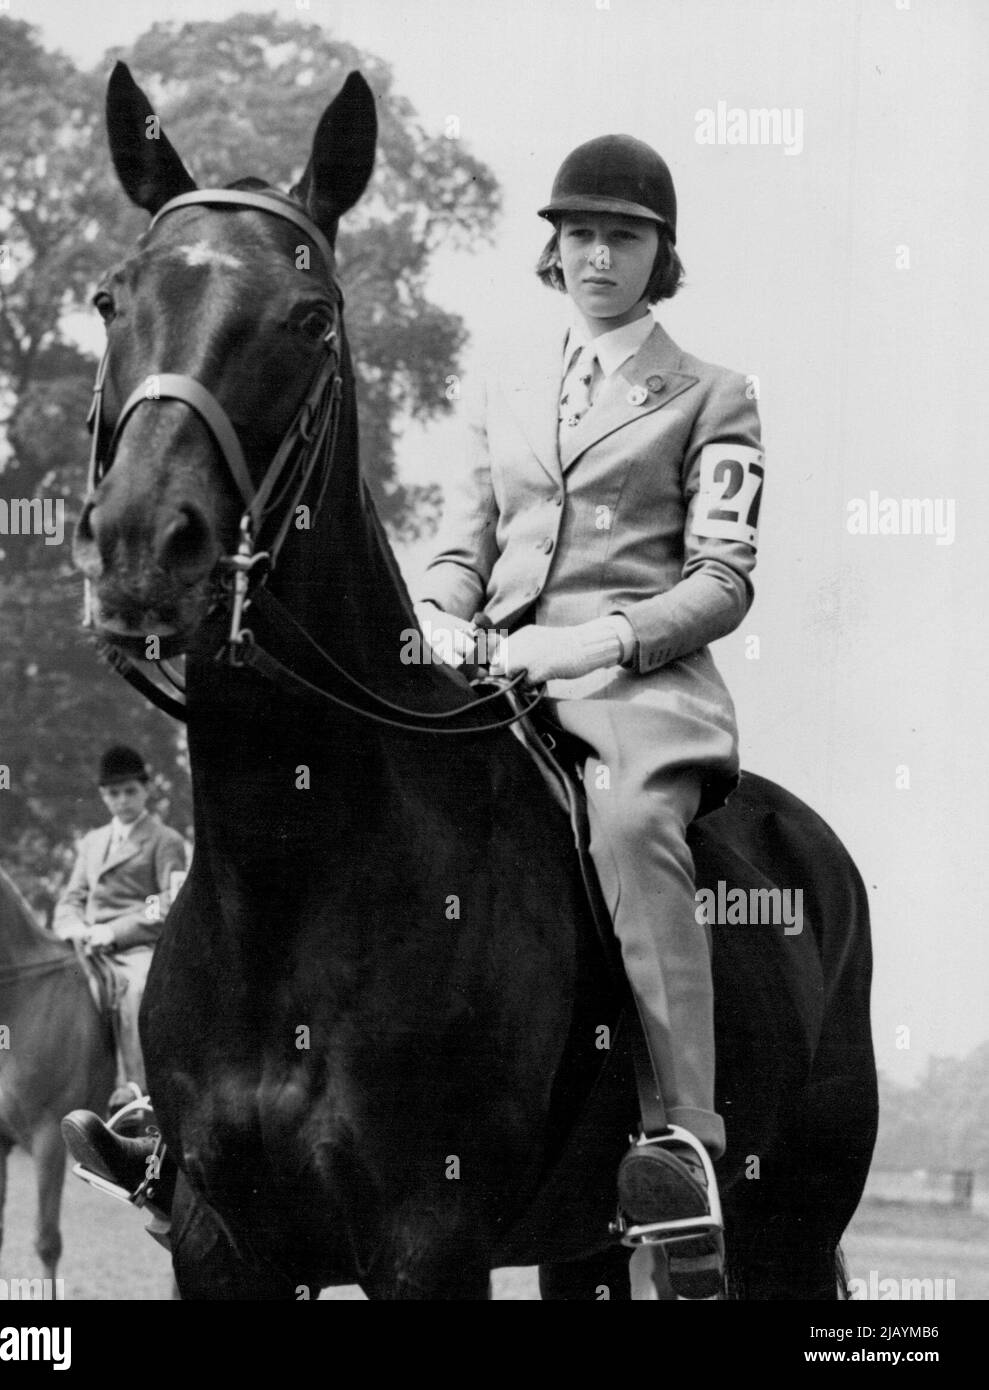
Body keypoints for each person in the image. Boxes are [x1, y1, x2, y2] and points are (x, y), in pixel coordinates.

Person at [414, 134, 763, 1296]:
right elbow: (463, 546)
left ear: (660, 254)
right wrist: (439, 611)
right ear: (552, 253)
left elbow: (721, 579)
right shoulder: (504, 390)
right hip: (494, 676)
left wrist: (597, 639)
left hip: (634, 687)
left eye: (622, 234)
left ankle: (680, 1143)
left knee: (624, 828)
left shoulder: (713, 393)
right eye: (577, 234)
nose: (597, 253)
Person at [54, 745, 187, 1114]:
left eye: (130, 791)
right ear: (103, 796)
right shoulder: (92, 842)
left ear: (145, 790)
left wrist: (113, 931)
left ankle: (135, 1089)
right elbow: (72, 897)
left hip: (134, 946)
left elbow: (166, 900)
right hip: (85, 943)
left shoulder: (165, 840)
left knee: (138, 987)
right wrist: (74, 926)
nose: (122, 800)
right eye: (114, 793)